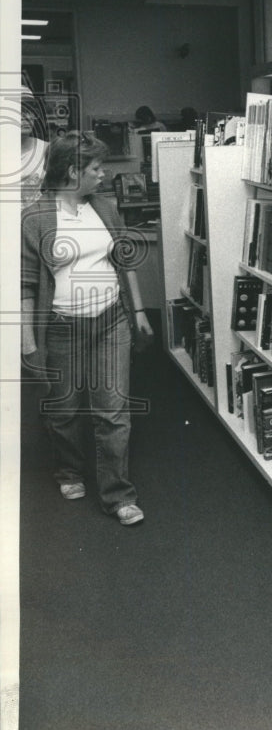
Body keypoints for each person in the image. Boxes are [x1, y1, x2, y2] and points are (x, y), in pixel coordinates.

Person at [21, 131, 154, 525]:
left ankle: (118, 495)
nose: (103, 174)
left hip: (111, 321)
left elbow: (124, 260)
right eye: (96, 168)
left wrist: (140, 311)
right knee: (63, 410)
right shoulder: (35, 217)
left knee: (113, 411)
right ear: (73, 170)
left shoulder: (105, 207)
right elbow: (25, 284)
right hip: (62, 327)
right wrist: (28, 343)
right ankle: (68, 470)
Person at [19, 83, 49, 208]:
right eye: (20, 110)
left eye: (31, 110)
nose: (27, 116)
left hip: (36, 221)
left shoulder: (47, 150)